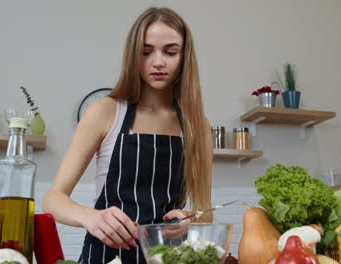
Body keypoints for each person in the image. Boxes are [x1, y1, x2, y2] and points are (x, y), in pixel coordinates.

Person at [42, 6, 213, 264]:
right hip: (105, 257)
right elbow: (53, 200)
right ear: (133, 55)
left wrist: (190, 219)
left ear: (185, 56)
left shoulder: (197, 125)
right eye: (146, 52)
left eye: (170, 52)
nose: (158, 62)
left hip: (167, 257)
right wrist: (91, 217)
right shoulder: (105, 112)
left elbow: (206, 213)